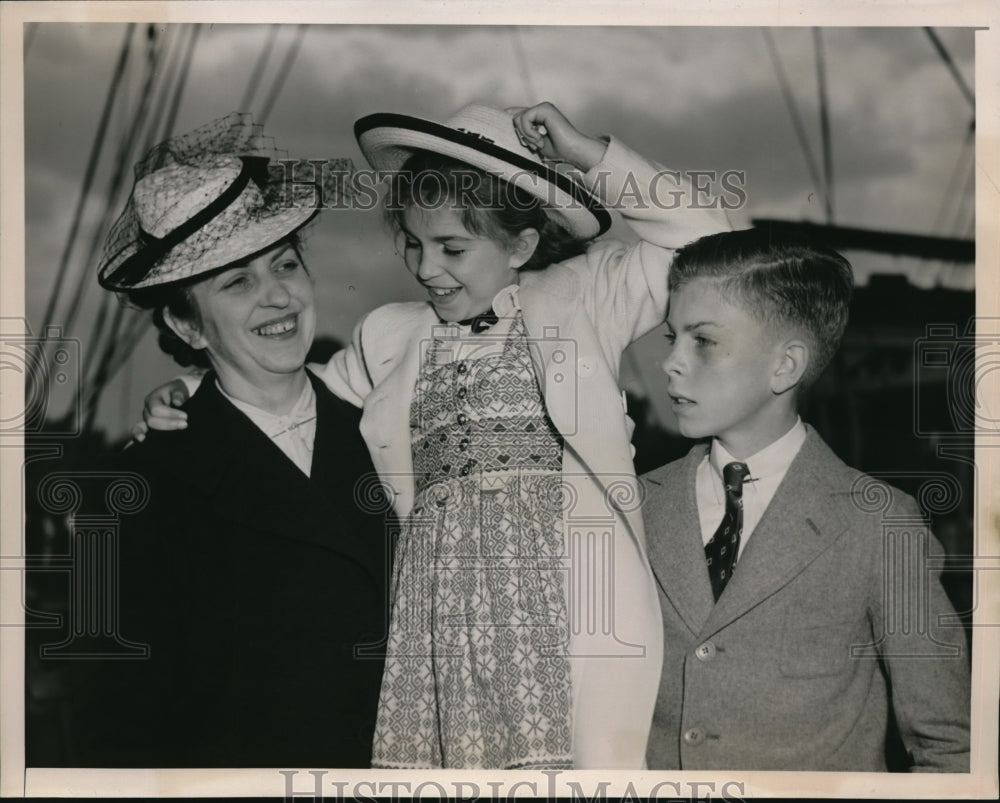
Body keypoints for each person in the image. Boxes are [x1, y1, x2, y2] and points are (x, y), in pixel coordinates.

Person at [140, 101, 729, 768]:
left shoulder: (585, 295)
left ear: (522, 245)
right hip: (441, 637)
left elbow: (709, 242)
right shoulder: (391, 336)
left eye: (452, 248)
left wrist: (594, 153)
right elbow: (292, 393)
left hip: (570, 614)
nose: (426, 269)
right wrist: (191, 391)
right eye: (414, 245)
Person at [76, 114, 393, 767]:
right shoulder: (140, 498)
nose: (277, 297)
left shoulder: (384, 427)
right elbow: (120, 734)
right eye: (237, 282)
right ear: (186, 325)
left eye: (284, 264)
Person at [640, 227, 971, 771]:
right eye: (670, 338)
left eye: (702, 340)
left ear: (785, 366)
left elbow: (949, 746)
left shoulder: (880, 521)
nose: (670, 362)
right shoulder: (637, 504)